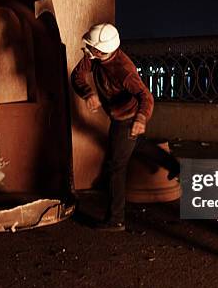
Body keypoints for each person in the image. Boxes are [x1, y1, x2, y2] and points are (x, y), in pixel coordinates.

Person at [71, 23, 180, 232]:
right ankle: (174, 165)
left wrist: (140, 119)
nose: (86, 50)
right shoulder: (94, 57)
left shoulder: (123, 70)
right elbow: (76, 76)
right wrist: (88, 92)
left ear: (103, 50)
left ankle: (116, 219)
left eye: (90, 47)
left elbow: (146, 96)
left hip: (127, 120)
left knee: (115, 167)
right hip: (119, 118)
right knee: (138, 145)